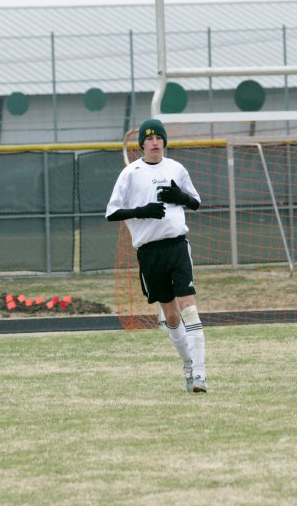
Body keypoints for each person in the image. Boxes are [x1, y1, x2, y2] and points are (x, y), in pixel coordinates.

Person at [105, 119, 208, 393]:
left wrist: (180, 197)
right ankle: (188, 366)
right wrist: (142, 211)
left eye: (158, 138)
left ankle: (200, 373)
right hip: (150, 252)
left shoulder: (176, 168)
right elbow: (111, 212)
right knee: (171, 315)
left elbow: (196, 202)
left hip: (177, 246)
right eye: (149, 138)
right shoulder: (131, 173)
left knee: (189, 306)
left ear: (164, 141)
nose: (154, 142)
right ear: (142, 144)